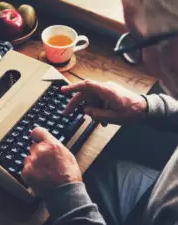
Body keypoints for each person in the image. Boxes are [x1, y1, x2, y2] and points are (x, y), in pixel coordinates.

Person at [21, 0, 178, 224]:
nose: (144, 62)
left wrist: (66, 198)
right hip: (156, 192)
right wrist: (146, 107)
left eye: (140, 41)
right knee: (101, 168)